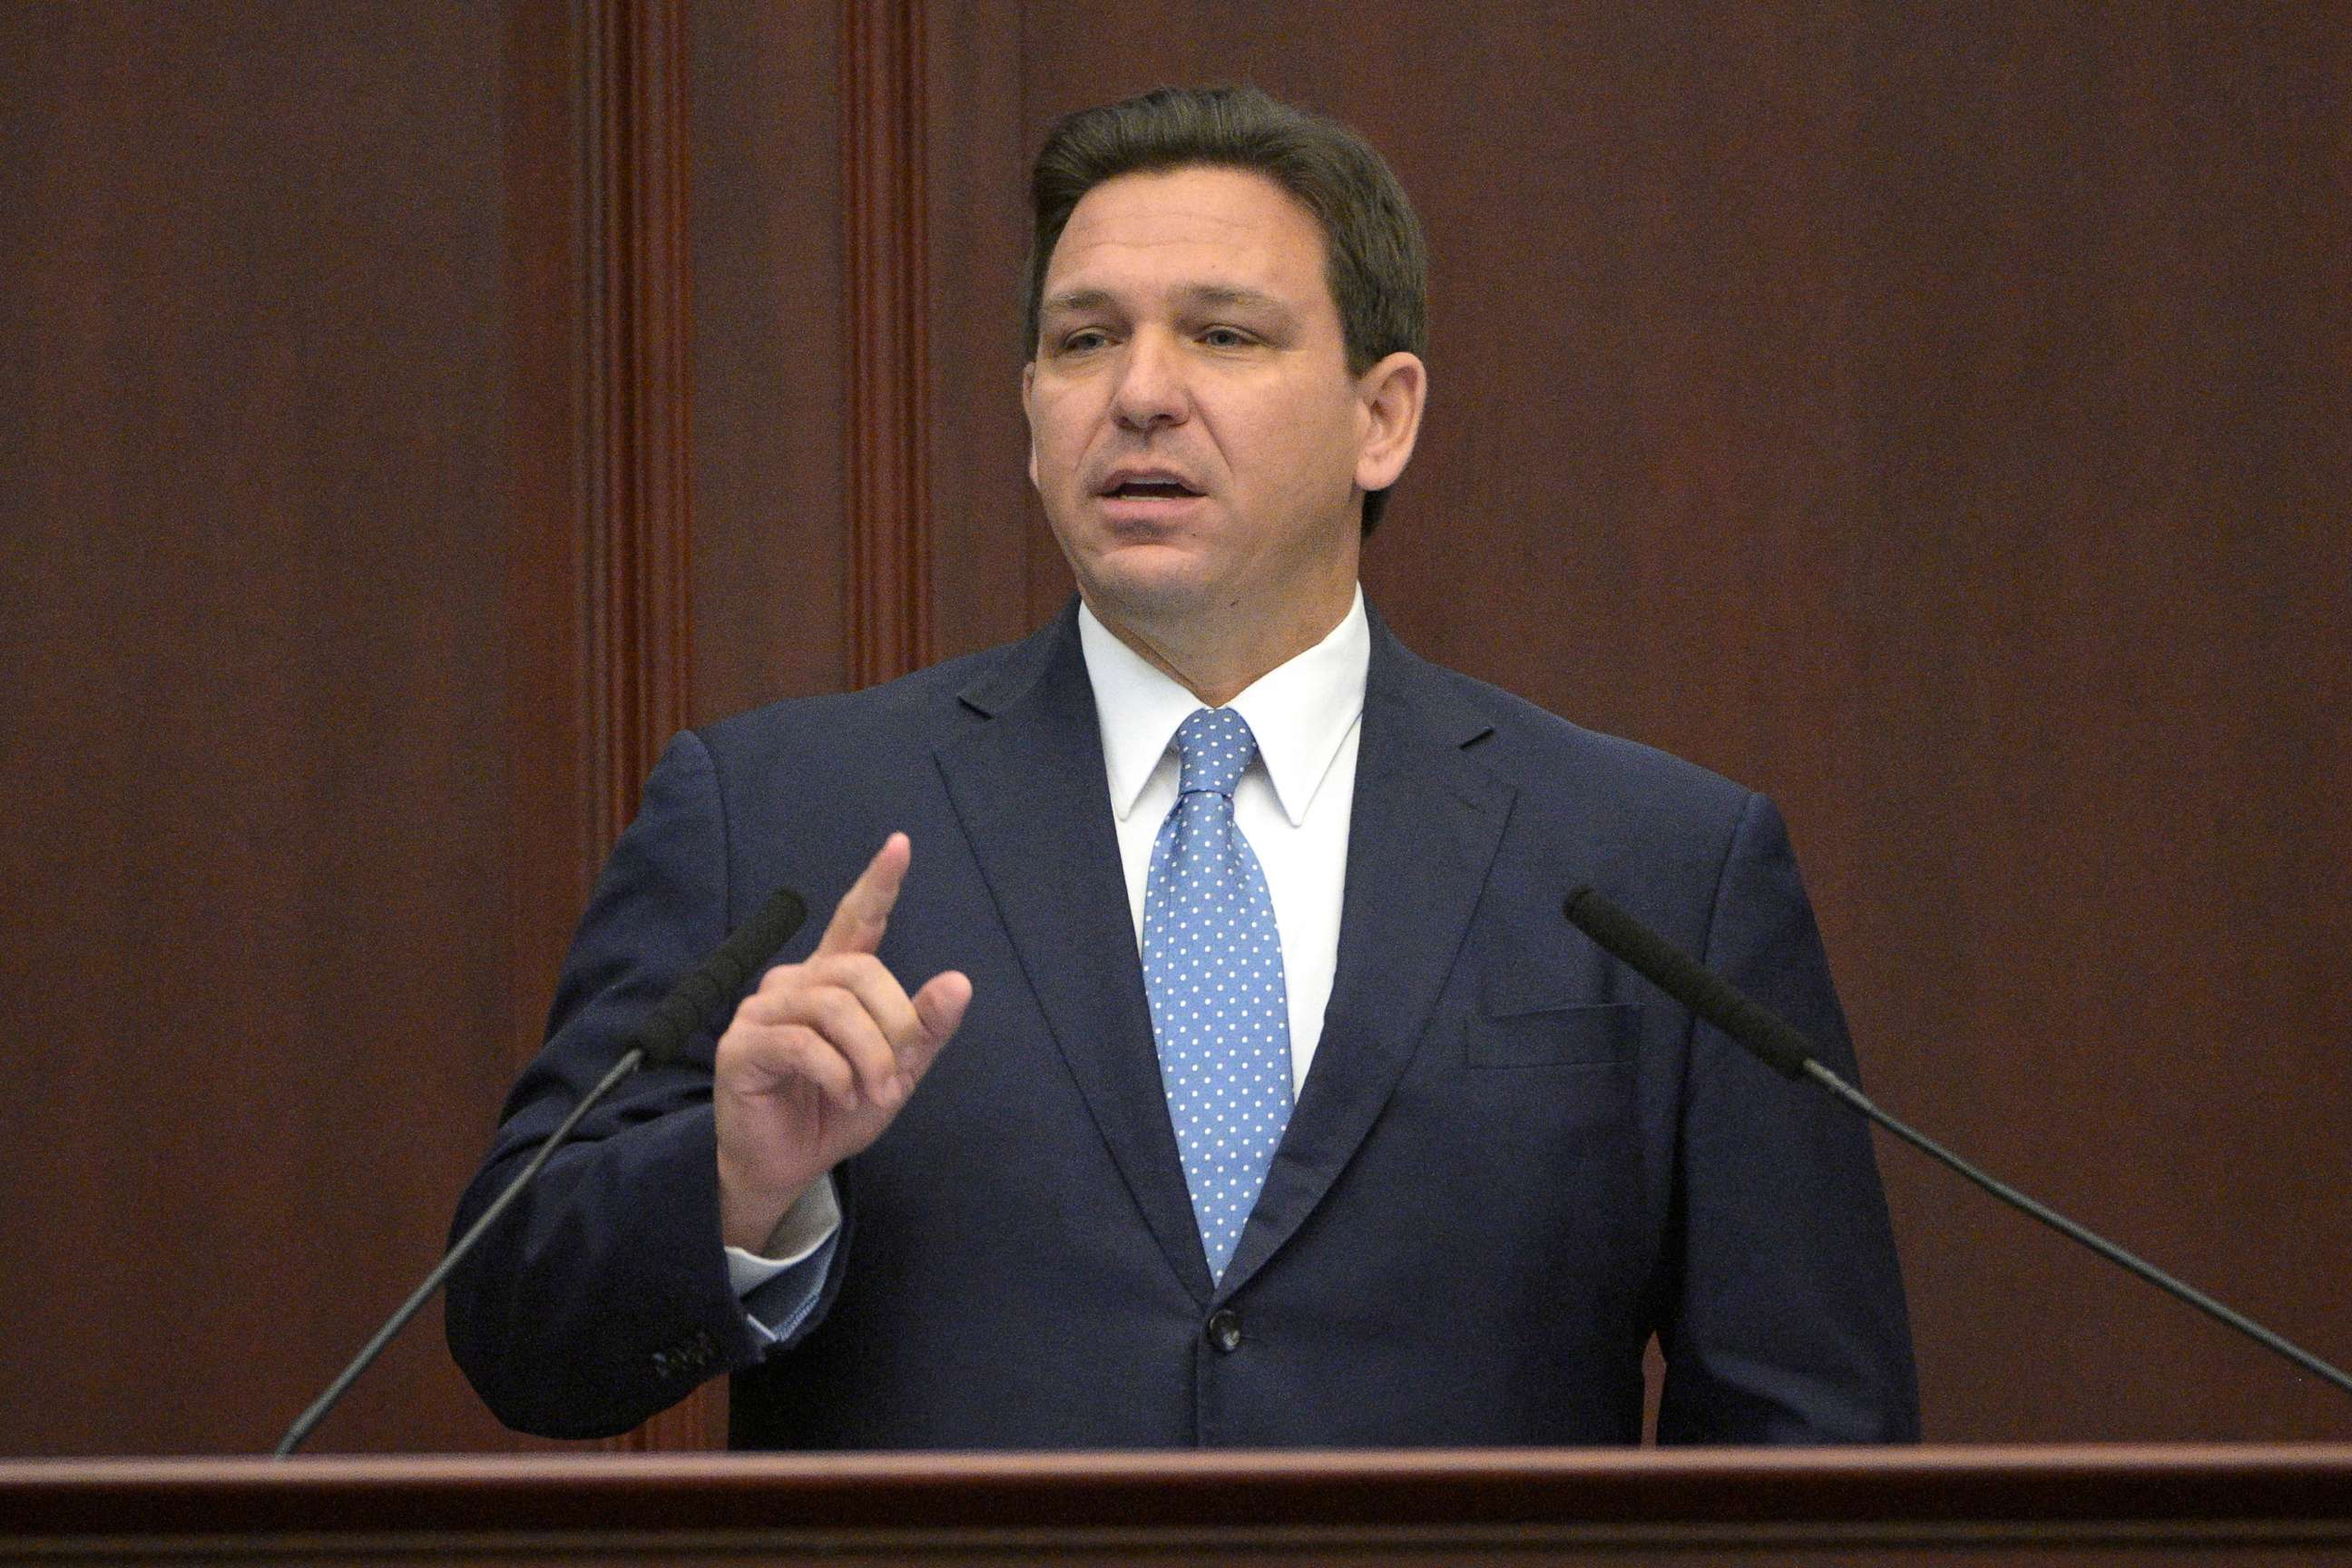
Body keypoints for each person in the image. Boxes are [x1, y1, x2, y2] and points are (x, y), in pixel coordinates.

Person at [446, 84, 1920, 1447]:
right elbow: (514, 1324)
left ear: (1382, 416)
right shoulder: (778, 817)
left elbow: (1811, 1440)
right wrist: (735, 1180)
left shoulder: (1655, 865)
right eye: (1084, 340)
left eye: (1223, 334)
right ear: (1031, 415)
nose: (1139, 393)